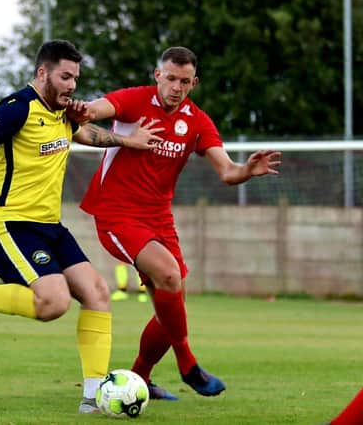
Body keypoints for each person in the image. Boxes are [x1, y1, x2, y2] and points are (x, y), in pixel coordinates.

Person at [0, 39, 163, 414]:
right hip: (7, 225)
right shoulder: (17, 108)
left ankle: (93, 398)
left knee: (97, 293)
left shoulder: (62, 113)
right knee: (54, 302)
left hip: (49, 227)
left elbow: (86, 135)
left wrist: (129, 141)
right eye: (65, 76)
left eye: (75, 77)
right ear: (42, 72)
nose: (72, 85)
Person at [75, 46, 282, 400]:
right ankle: (188, 365)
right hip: (116, 213)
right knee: (170, 276)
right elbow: (93, 112)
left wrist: (247, 170)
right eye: (170, 78)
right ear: (158, 75)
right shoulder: (134, 101)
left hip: (159, 219)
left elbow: (228, 172)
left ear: (194, 82)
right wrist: (83, 108)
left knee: (171, 308)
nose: (176, 86)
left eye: (184, 81)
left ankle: (139, 378)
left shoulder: (197, 121)